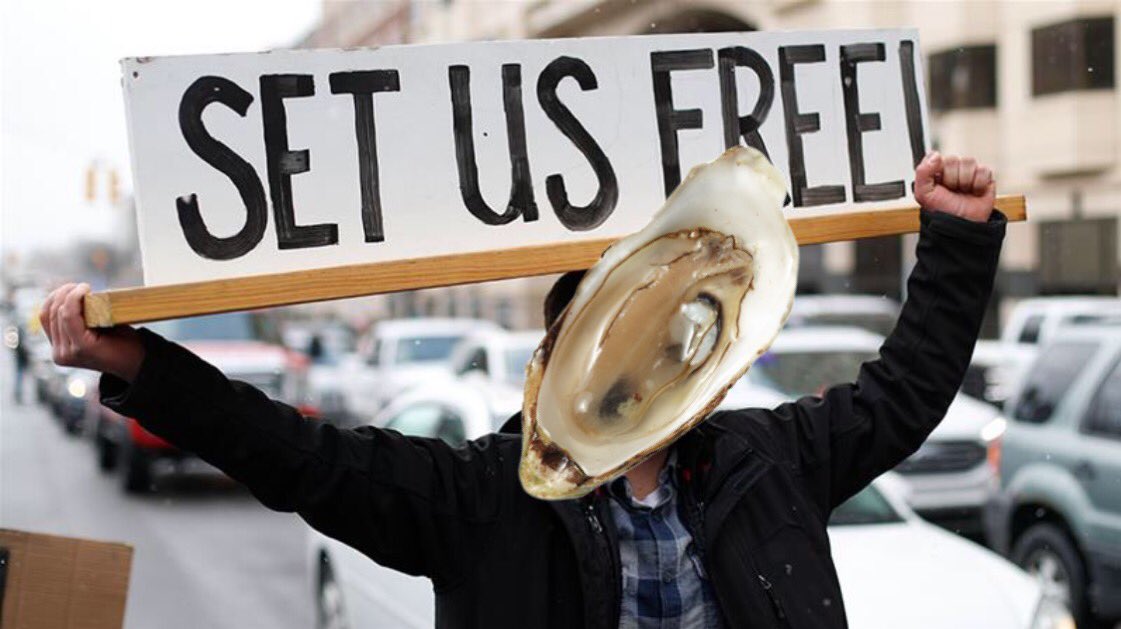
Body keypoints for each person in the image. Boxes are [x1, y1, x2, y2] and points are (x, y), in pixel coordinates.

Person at [41, 151, 1001, 628]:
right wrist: (137, 365)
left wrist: (955, 233)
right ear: (559, 351)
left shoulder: (771, 459)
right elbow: (301, 459)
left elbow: (904, 390)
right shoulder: (476, 496)